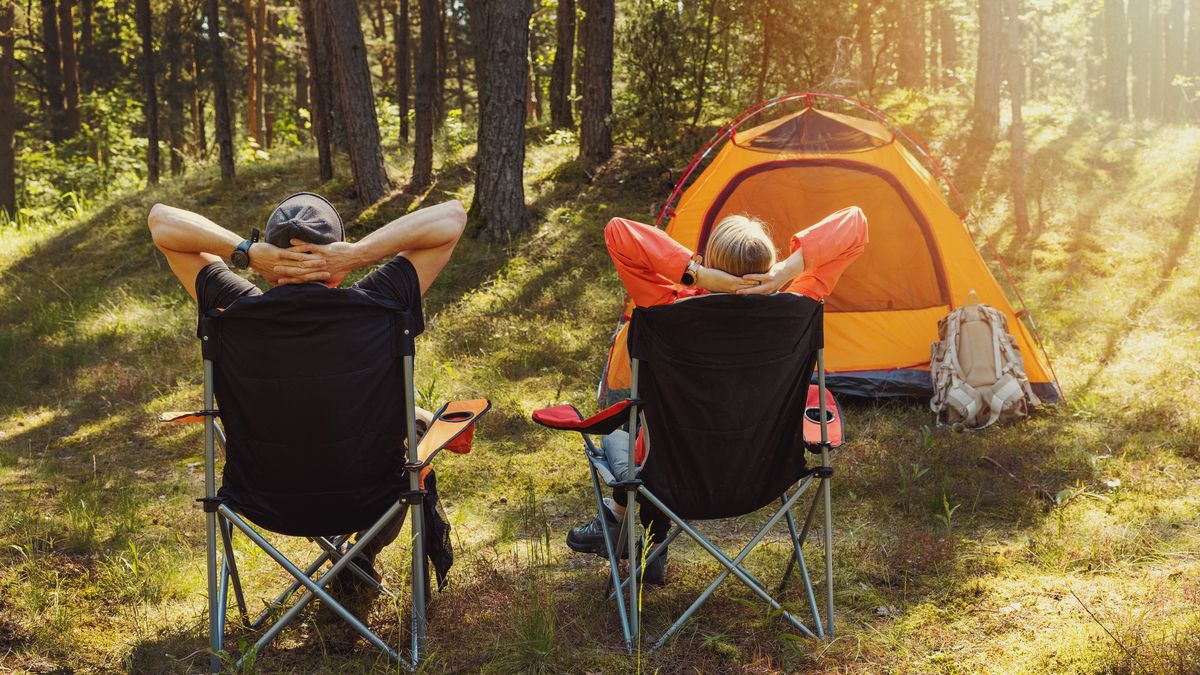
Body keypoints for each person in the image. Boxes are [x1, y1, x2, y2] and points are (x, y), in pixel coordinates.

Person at [148, 192, 467, 612]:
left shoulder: (234, 307)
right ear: (334, 261)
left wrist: (244, 252)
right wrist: (356, 256)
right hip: (372, 493)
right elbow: (452, 216)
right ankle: (362, 557)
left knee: (412, 422)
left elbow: (161, 221)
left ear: (268, 267)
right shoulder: (381, 302)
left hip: (265, 498)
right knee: (417, 429)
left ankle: (355, 567)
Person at [566, 207, 869, 585]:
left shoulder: (666, 306)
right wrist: (786, 274)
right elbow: (855, 223)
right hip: (763, 473)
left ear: (711, 262)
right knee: (650, 440)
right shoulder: (799, 304)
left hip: (671, 475)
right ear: (769, 263)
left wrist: (699, 276)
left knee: (623, 437)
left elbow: (617, 231)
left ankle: (617, 523)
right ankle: (646, 545)